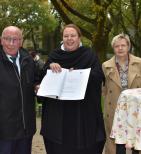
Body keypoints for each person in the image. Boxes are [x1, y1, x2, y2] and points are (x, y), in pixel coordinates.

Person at [35, 24, 106, 154]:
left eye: (73, 35)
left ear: (79, 38)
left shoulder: (90, 56)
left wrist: (82, 74)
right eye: (66, 36)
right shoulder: (55, 56)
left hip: (82, 116)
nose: (69, 39)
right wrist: (49, 67)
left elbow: (98, 77)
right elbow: (41, 78)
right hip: (58, 118)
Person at [0, 26, 36, 154]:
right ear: (1, 40)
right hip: (5, 128)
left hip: (26, 127)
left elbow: (34, 82)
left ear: (21, 42)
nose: (11, 43)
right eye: (7, 39)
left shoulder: (28, 60)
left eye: (15, 39)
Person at [102, 33, 141, 154]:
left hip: (135, 107)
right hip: (115, 108)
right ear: (113, 48)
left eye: (123, 45)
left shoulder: (139, 62)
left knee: (136, 142)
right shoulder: (106, 66)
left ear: (128, 47)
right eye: (117, 46)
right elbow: (104, 90)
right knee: (117, 144)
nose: (120, 48)